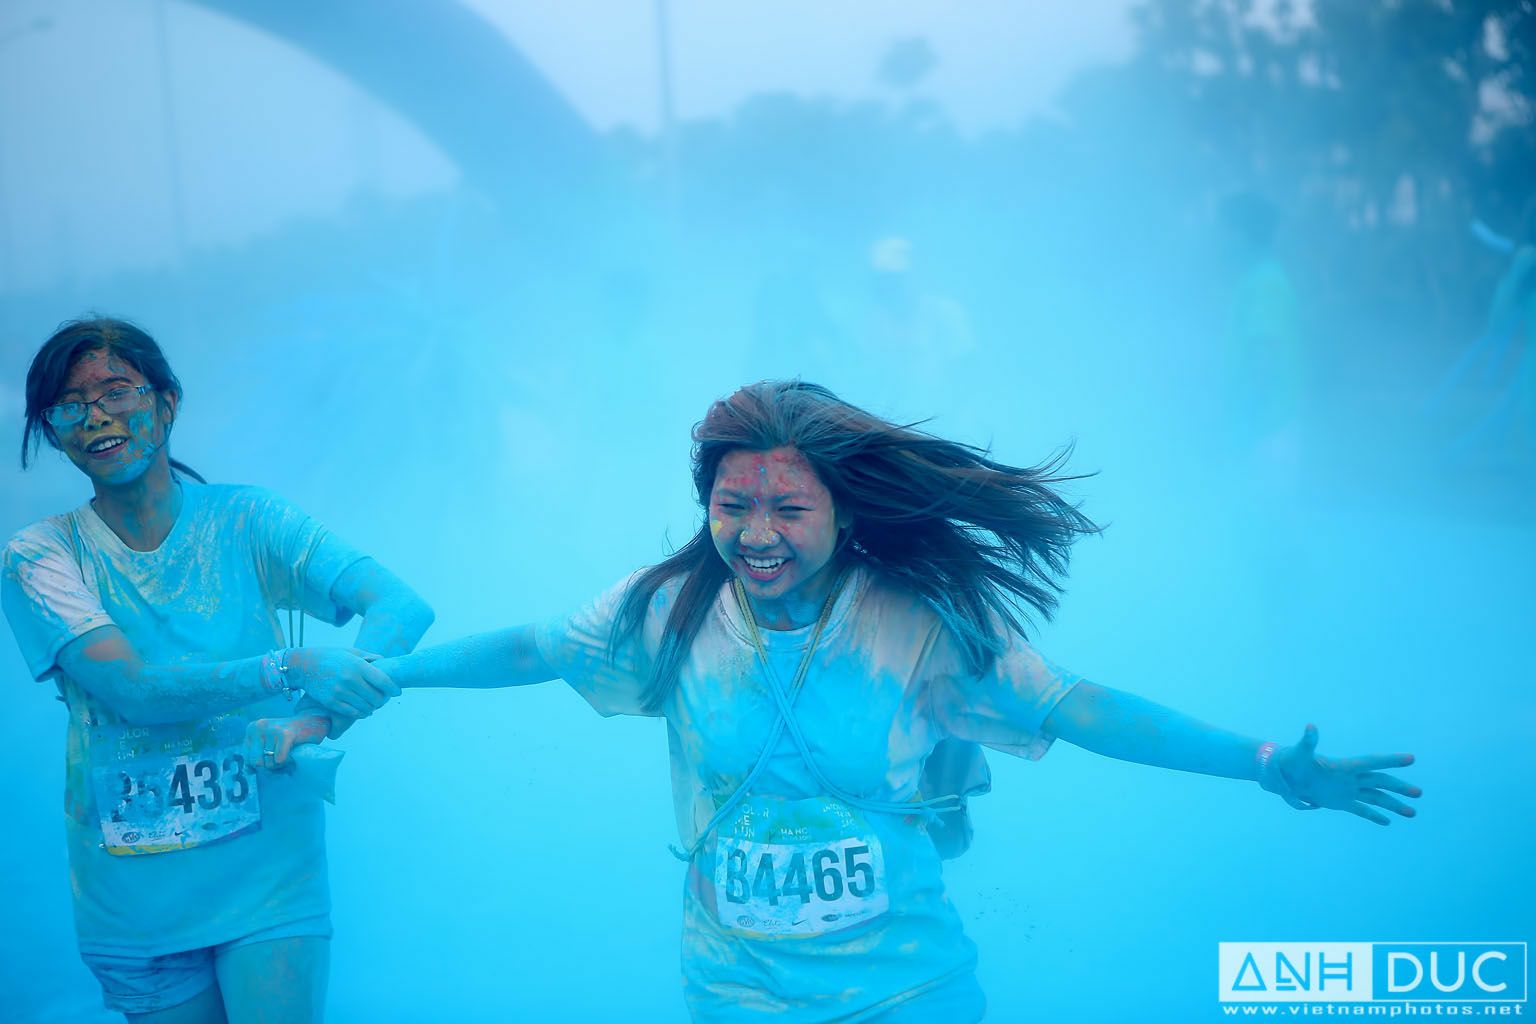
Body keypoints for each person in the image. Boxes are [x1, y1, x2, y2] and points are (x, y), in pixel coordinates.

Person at [282, 380, 1418, 1021]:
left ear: (842, 514)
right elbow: (535, 645)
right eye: (734, 506)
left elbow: (1078, 705)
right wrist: (385, 674)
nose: (757, 535)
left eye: (788, 508)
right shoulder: (672, 609)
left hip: (907, 988)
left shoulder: (916, 622)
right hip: (734, 991)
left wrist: (1266, 759)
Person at [1, 317, 433, 1023]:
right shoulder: (40, 555)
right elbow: (127, 690)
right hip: (132, 893)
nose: (97, 417)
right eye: (70, 405)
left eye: (117, 391)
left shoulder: (247, 518)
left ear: (166, 401)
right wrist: (286, 667)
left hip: (269, 870)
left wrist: (316, 717)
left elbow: (399, 607)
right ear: (52, 431)